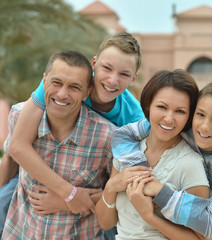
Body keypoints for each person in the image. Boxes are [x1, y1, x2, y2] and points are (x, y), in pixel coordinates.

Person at [0, 31, 147, 238]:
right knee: (6, 197)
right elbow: (15, 148)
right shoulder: (65, 80)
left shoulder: (133, 120)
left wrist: (66, 201)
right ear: (94, 63)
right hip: (35, 171)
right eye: (107, 68)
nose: (113, 80)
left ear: (133, 78)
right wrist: (68, 192)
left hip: (90, 181)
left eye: (123, 74)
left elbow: (121, 186)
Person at [109, 79, 212, 239]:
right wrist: (142, 172)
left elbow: (210, 222)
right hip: (190, 202)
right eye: (200, 114)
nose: (204, 126)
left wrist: (159, 191)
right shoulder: (181, 128)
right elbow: (122, 134)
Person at [95, 69, 210, 240]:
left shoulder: (190, 164)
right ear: (149, 105)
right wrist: (112, 186)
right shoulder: (127, 152)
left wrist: (149, 216)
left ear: (189, 116)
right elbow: (105, 223)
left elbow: (202, 238)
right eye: (162, 107)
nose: (169, 118)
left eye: (180, 111)